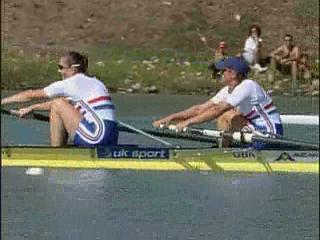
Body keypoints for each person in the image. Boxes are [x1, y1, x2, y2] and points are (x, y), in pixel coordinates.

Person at [153, 57, 283, 148]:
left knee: (224, 114)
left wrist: (188, 122)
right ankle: (225, 149)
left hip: (268, 134)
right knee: (224, 115)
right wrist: (171, 117)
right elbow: (200, 109)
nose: (220, 74)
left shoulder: (248, 85)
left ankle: (225, 151)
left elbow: (216, 111)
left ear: (233, 73)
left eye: (223, 71)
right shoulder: (227, 90)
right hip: (254, 131)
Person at [1, 51, 118, 147]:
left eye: (61, 67)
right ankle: (61, 149)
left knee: (57, 104)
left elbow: (30, 95)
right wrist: (32, 109)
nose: (59, 71)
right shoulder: (96, 83)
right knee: (58, 104)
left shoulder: (71, 83)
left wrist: (3, 102)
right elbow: (64, 105)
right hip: (111, 137)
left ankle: (56, 152)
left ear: (73, 69)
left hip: (96, 136)